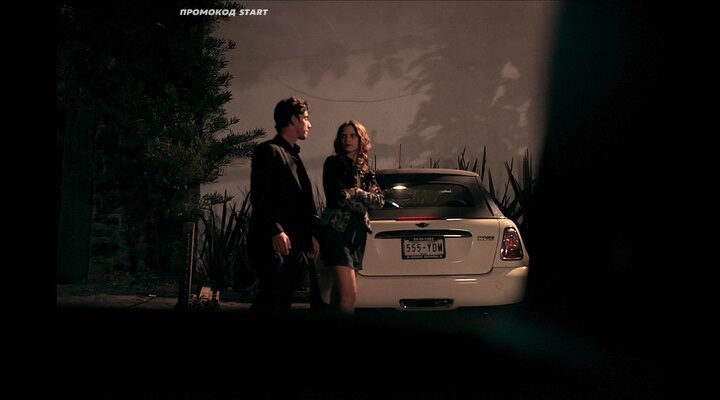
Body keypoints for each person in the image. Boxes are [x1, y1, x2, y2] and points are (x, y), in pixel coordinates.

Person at [248, 96, 322, 314]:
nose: (309, 124)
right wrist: (275, 230)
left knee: (280, 299)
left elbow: (299, 202)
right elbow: (261, 195)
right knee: (271, 299)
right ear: (293, 119)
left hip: (292, 243)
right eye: (305, 118)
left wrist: (310, 235)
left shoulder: (293, 155)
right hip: (273, 243)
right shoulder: (268, 151)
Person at [317, 120, 384, 315]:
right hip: (335, 230)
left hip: (357, 233)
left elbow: (379, 201)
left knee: (339, 292)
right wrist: (363, 198)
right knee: (349, 292)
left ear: (361, 139)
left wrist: (356, 192)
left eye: (353, 135)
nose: (347, 139)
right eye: (343, 136)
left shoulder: (367, 171)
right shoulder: (333, 163)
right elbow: (338, 198)